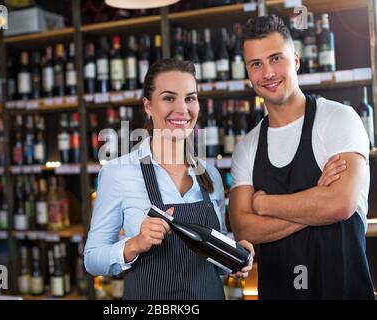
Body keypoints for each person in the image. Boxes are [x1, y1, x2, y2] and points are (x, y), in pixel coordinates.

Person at [229, 15, 375, 299]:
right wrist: (317, 199)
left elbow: (340, 205)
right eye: (256, 64)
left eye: (276, 58)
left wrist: (264, 203)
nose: (268, 73)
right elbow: (244, 227)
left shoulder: (338, 119)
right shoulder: (247, 146)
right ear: (247, 72)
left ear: (295, 60)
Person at [85, 58, 254, 300]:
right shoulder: (120, 172)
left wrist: (235, 255)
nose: (182, 109)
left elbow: (214, 260)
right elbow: (92, 259)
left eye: (190, 98)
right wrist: (134, 244)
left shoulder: (211, 176)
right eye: (168, 98)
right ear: (148, 106)